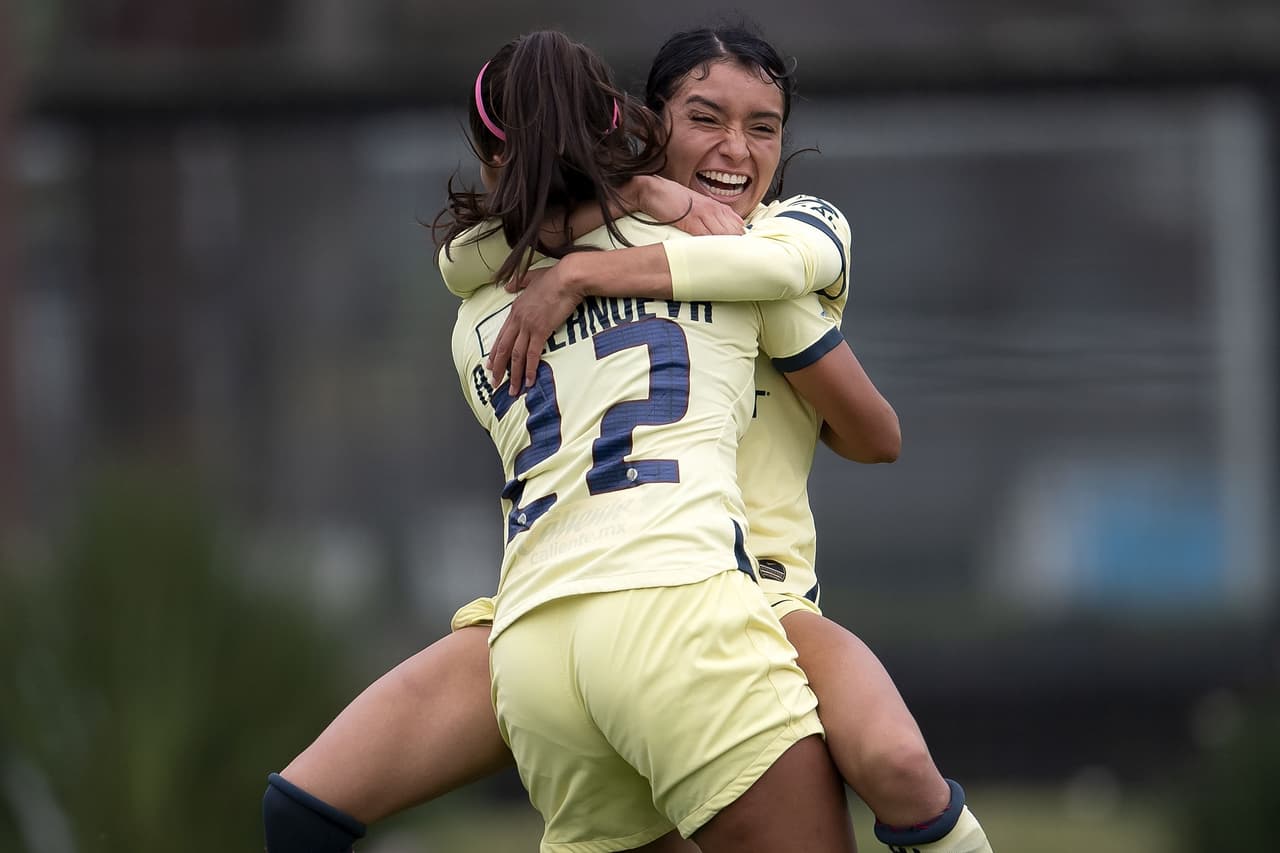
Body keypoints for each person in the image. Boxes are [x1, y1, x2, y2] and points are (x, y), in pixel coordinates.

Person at [265, 24, 993, 853]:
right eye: (705, 117)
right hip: (671, 596)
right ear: (645, 127)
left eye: (764, 126)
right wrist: (644, 213)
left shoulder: (523, 285)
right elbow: (763, 284)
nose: (736, 147)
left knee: (898, 762)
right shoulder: (733, 261)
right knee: (892, 767)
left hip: (611, 614)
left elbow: (864, 418)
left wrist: (584, 264)